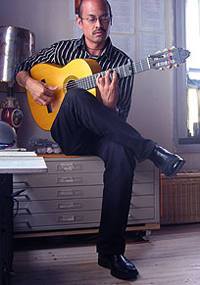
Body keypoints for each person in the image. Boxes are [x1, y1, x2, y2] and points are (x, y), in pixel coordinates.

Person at [15, 0, 185, 281]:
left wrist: (110, 107)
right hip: (67, 131)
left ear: (110, 19)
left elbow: (118, 122)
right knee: (76, 95)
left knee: (121, 152)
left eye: (104, 18)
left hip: (103, 136)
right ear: (79, 22)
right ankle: (153, 151)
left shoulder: (122, 64)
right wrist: (30, 83)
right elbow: (22, 67)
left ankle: (111, 252)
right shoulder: (63, 50)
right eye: (91, 19)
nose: (99, 25)